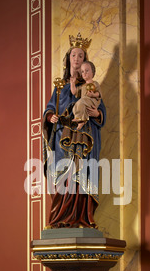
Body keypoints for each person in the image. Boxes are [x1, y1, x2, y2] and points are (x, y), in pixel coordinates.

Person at [42, 33, 106, 228]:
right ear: (68, 58)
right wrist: (49, 116)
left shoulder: (90, 85)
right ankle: (60, 218)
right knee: (64, 175)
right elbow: (50, 107)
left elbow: (101, 109)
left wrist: (97, 114)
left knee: (84, 174)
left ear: (85, 61)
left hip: (85, 136)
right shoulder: (59, 87)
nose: (77, 59)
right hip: (64, 137)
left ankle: (84, 218)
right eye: (74, 55)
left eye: (81, 56)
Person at [70, 61, 101, 130]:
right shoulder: (82, 86)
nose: (84, 73)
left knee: (81, 102)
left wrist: (93, 94)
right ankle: (79, 120)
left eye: (87, 71)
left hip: (92, 101)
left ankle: (82, 120)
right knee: (75, 106)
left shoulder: (95, 84)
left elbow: (99, 94)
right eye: (82, 71)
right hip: (84, 102)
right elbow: (74, 92)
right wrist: (72, 84)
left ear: (92, 72)